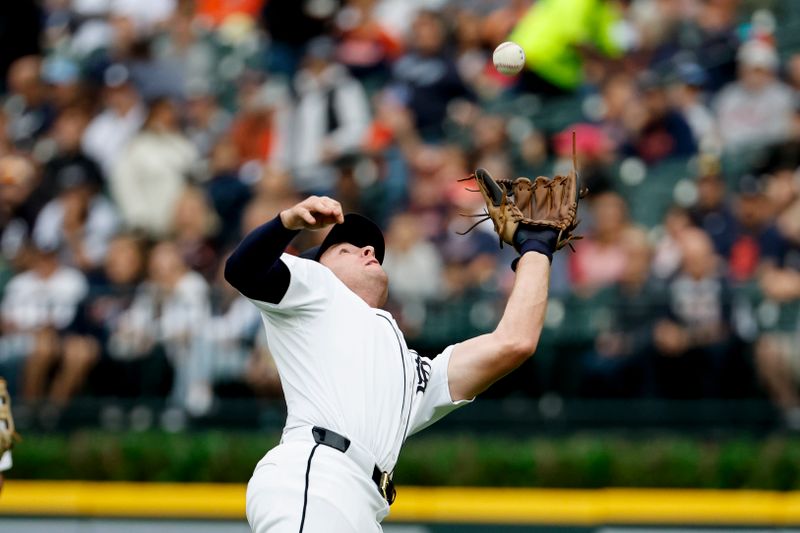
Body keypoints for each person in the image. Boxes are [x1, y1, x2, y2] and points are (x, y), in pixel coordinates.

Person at [225, 188, 562, 532]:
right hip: (316, 477)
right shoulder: (314, 290)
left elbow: (513, 342)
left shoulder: (411, 370)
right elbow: (242, 271)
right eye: (346, 249)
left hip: (365, 505)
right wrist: (287, 223)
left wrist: (536, 248)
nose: (369, 250)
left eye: (367, 248)